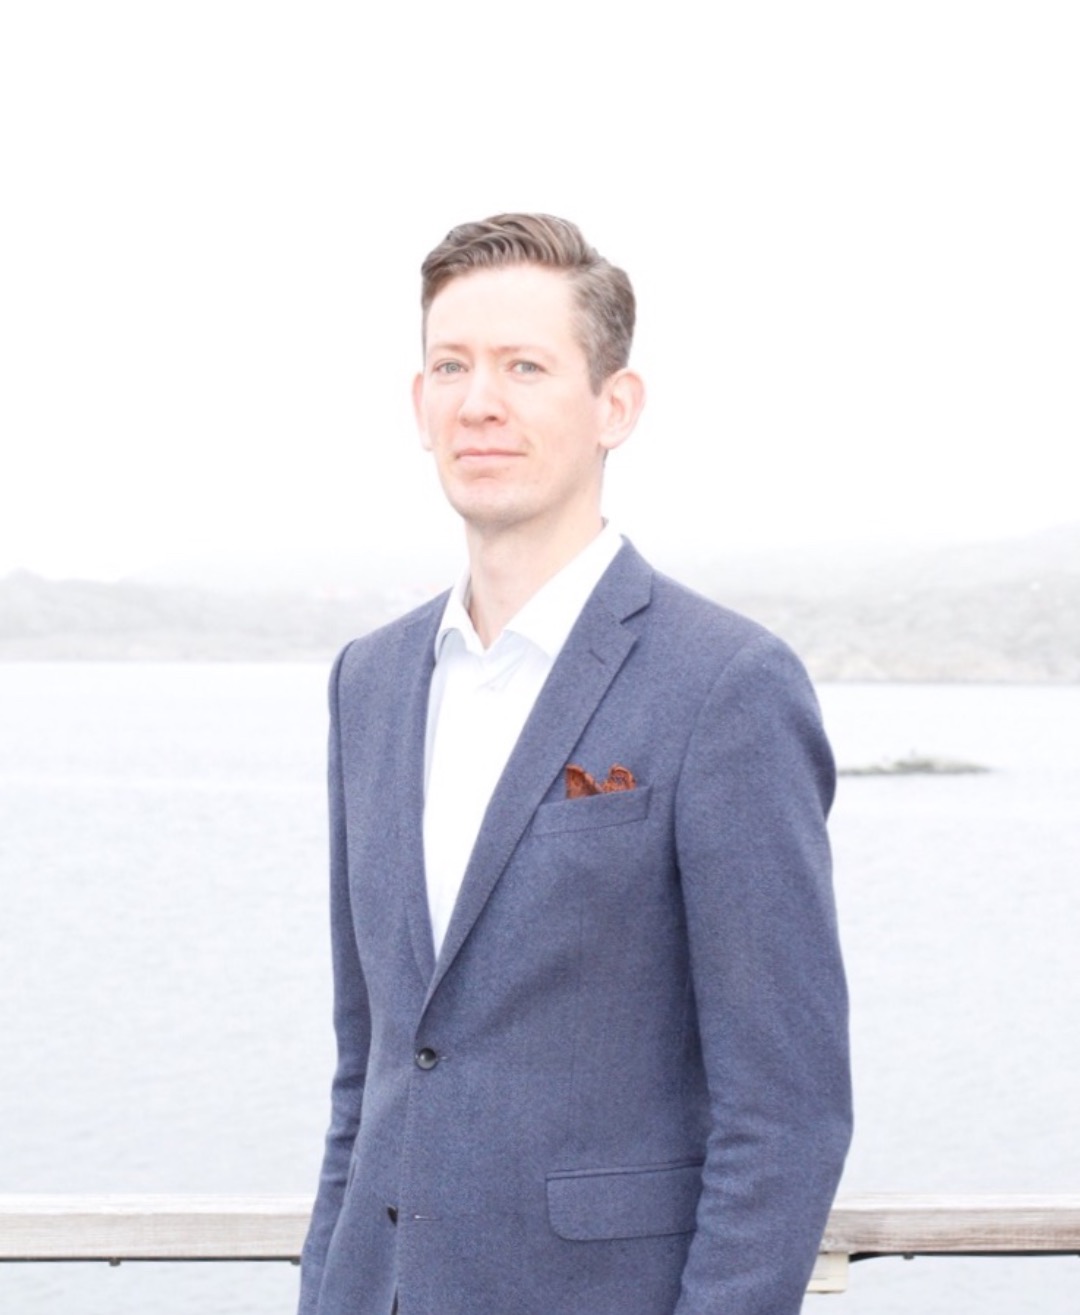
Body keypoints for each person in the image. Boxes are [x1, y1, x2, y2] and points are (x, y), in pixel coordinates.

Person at [299, 213, 851, 1315]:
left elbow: (786, 1112)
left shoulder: (725, 685)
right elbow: (371, 1073)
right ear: (418, 403)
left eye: (525, 366)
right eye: (451, 366)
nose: (479, 401)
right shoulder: (370, 681)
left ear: (615, 406)